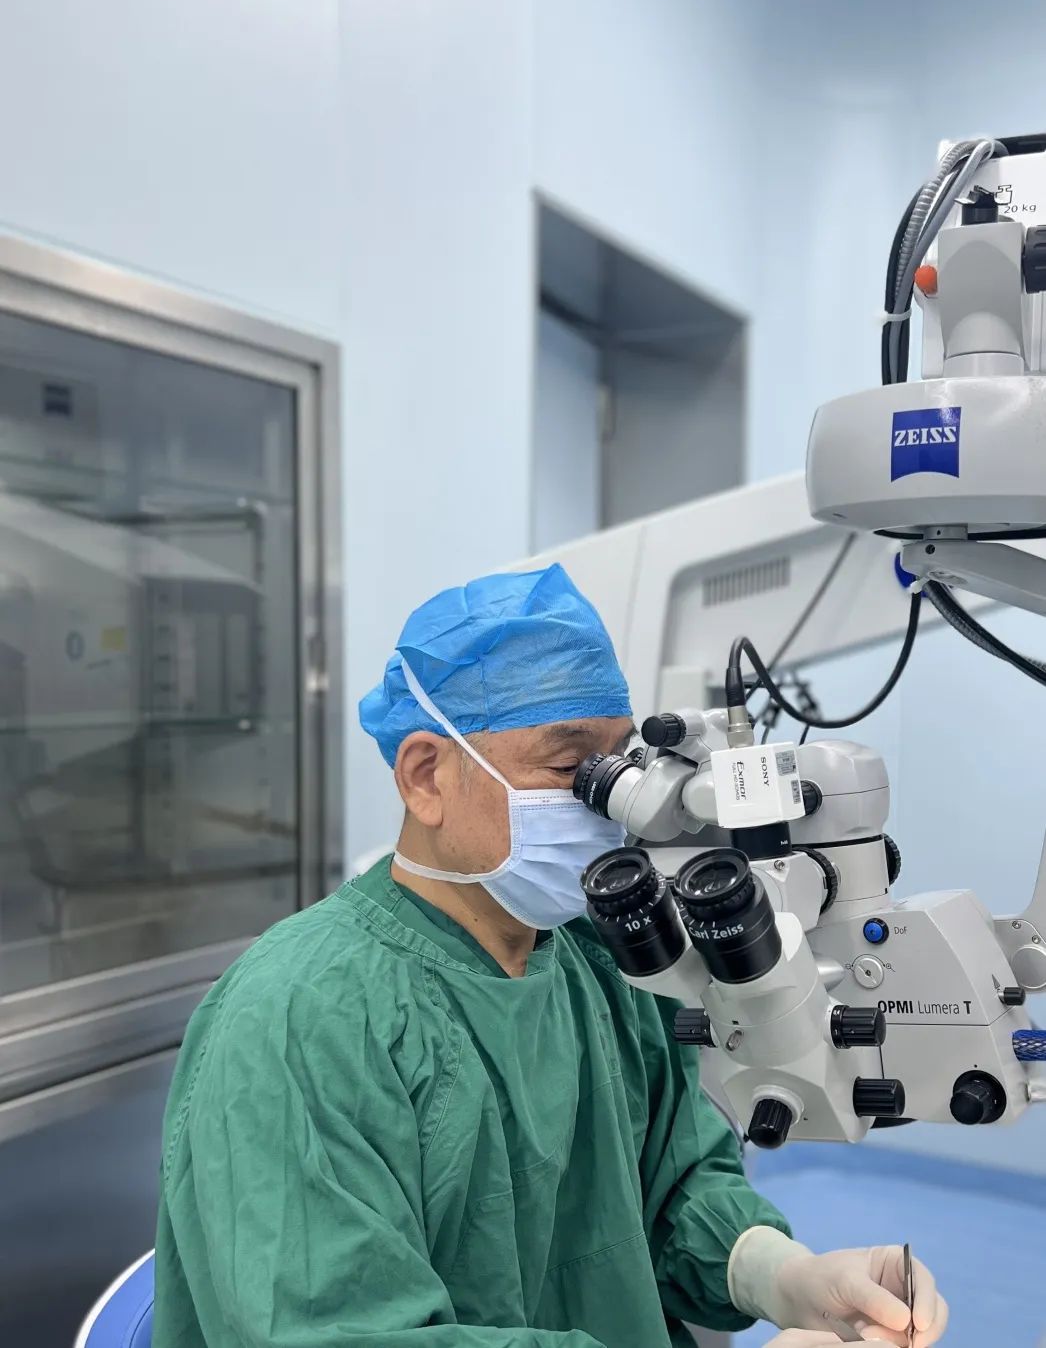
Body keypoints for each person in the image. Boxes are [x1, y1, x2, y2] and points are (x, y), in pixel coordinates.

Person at [153, 564, 948, 1348]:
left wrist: (781, 1274)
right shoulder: (299, 1015)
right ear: (426, 777)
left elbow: (673, 1186)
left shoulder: (605, 965)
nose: (609, 803)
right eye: (571, 769)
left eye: (620, 765)